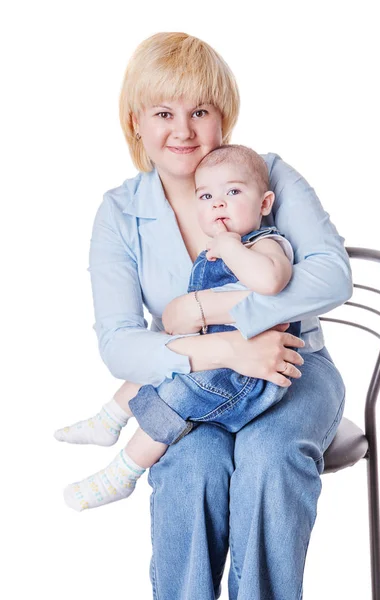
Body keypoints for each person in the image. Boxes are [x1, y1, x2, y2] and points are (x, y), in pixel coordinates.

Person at [59, 31, 352, 600]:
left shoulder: (266, 176)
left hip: (294, 366)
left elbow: (331, 276)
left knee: (268, 458)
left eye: (201, 110)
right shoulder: (120, 211)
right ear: (135, 122)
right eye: (164, 112)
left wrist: (210, 309)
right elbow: (119, 343)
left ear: (225, 117)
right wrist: (226, 348)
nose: (183, 130)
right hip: (194, 379)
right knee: (193, 468)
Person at [55, 144, 304, 512]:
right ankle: (111, 416)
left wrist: (231, 247)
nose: (219, 203)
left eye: (233, 192)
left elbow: (270, 282)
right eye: (207, 196)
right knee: (166, 355)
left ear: (264, 203)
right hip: (223, 358)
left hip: (250, 376)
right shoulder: (211, 248)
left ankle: (124, 471)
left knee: (175, 394)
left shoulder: (266, 243)